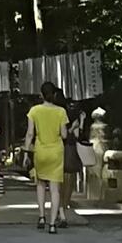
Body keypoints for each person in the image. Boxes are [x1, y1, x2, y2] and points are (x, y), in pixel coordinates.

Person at [23, 82, 74, 234]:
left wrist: (26, 152)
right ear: (55, 94)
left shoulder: (34, 111)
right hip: (56, 152)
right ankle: (52, 224)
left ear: (41, 94)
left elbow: (30, 133)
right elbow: (64, 134)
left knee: (40, 184)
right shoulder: (61, 111)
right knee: (55, 188)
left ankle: (41, 216)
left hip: (41, 151)